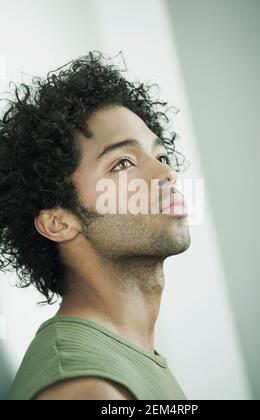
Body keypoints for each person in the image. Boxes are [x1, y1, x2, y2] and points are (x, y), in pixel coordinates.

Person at [0, 51, 191, 400]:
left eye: (161, 155)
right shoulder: (86, 388)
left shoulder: (125, 359)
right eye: (122, 164)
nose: (166, 173)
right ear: (59, 221)